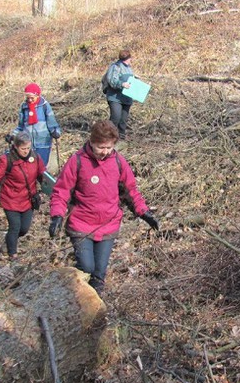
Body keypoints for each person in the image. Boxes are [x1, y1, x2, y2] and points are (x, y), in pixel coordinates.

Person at [48, 120, 159, 295]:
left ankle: (95, 314)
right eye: (101, 147)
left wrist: (144, 212)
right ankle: (75, 300)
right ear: (92, 142)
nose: (105, 152)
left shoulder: (118, 162)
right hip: (81, 224)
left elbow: (130, 191)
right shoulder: (77, 161)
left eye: (109, 148)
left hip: (108, 224)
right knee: (86, 267)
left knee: (99, 274)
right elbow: (61, 191)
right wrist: (57, 216)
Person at [0, 130, 46, 261]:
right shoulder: (6, 160)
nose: (26, 151)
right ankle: (13, 255)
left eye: (28, 148)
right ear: (16, 147)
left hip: (28, 199)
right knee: (15, 226)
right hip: (11, 200)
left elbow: (43, 176)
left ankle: (10, 239)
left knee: (24, 229)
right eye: (23, 149)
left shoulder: (35, 158)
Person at [12, 82, 61, 166]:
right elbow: (20, 126)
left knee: (41, 166)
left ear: (37, 95)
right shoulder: (24, 107)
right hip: (28, 144)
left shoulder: (44, 105)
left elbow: (52, 122)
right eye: (28, 98)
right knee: (29, 167)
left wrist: (55, 132)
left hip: (43, 143)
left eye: (32, 98)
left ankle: (42, 179)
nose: (30, 100)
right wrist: (13, 135)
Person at [102, 50, 136, 139]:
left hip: (127, 98)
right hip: (115, 98)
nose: (130, 60)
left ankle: (121, 138)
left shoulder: (129, 68)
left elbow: (129, 80)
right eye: (129, 58)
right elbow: (112, 81)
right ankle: (107, 137)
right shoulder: (115, 67)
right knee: (115, 118)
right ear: (128, 58)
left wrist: (135, 78)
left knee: (123, 120)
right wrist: (122, 84)